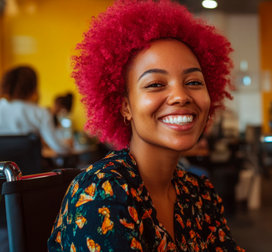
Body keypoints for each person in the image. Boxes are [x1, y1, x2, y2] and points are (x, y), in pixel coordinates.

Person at [48, 1, 243, 251]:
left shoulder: (200, 193)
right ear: (125, 106)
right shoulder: (102, 192)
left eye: (194, 82)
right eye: (155, 84)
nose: (180, 96)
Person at [0, 66, 71, 154]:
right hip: (30, 167)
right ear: (32, 87)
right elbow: (59, 148)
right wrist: (68, 147)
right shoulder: (40, 113)